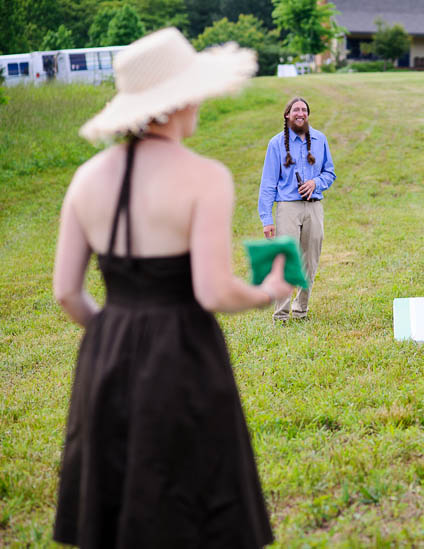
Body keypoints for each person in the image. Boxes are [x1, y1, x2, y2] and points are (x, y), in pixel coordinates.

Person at [52, 28, 292, 548]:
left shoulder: (87, 178)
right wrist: (267, 292)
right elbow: (211, 291)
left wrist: (118, 333)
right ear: (178, 101)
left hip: (106, 356)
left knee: (119, 493)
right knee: (191, 492)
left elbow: (67, 292)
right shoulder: (205, 177)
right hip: (183, 354)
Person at [258, 97, 336, 323]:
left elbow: (329, 173)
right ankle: (281, 314)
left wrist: (315, 183)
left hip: (314, 207)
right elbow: (268, 184)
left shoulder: (320, 140)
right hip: (287, 207)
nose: (300, 113)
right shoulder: (276, 144)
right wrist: (267, 219)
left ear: (308, 114)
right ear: (287, 115)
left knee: (310, 261)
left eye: (304, 110)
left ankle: (301, 310)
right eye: (296, 110)